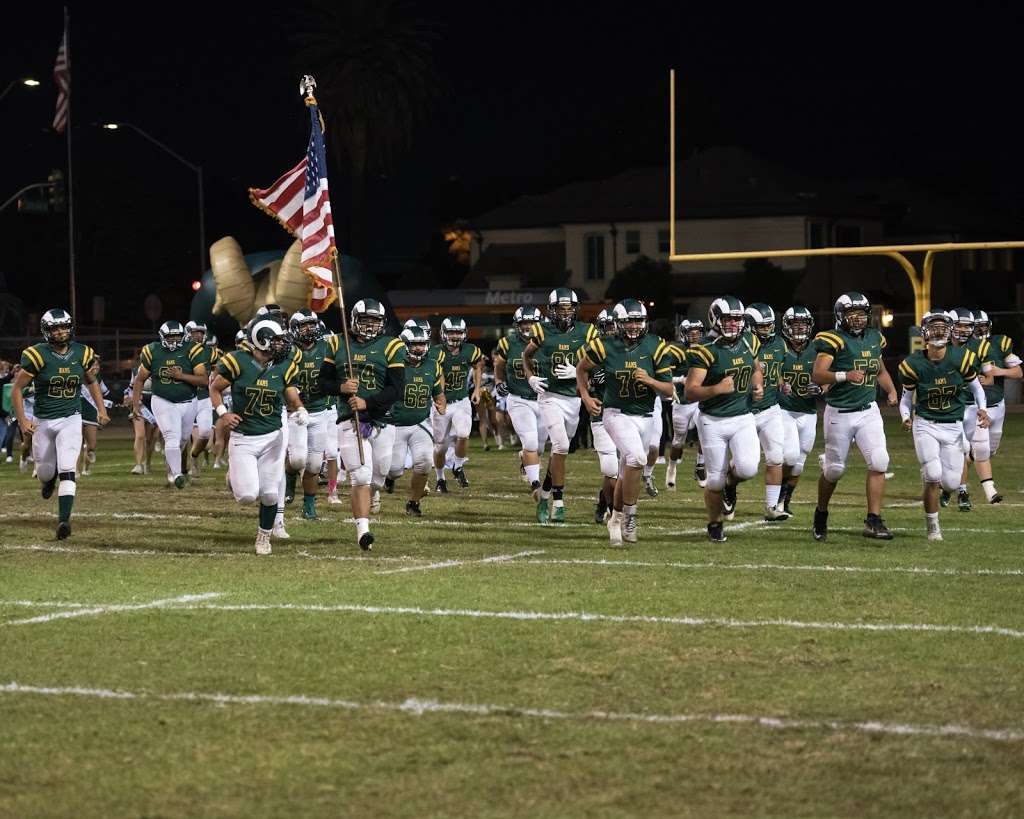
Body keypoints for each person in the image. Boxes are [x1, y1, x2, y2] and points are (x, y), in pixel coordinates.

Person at [578, 299, 677, 545]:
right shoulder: (604, 346)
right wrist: (585, 396)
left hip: (645, 416)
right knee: (637, 459)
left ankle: (616, 517)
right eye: (628, 321)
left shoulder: (656, 346)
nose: (633, 326)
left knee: (626, 471)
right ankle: (631, 517)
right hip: (616, 413)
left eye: (637, 321)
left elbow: (668, 390)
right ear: (618, 324)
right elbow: (581, 369)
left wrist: (651, 381)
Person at [210, 317, 306, 555]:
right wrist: (223, 413)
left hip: (272, 436)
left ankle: (263, 537)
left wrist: (300, 409)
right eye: (276, 340)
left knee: (271, 492)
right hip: (244, 437)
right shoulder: (237, 361)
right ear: (261, 340)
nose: (281, 345)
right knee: (246, 496)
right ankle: (234, 478)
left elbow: (291, 395)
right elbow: (215, 388)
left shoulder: (284, 365)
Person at [10, 308, 109, 539]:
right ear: (47, 331)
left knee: (68, 468)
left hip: (71, 418)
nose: (61, 332)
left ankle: (64, 521)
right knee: (45, 472)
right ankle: (48, 480)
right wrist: (23, 420)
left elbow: (92, 381)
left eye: (64, 326)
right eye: (56, 328)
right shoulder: (37, 354)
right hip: (43, 420)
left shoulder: (82, 353)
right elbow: (17, 389)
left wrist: (101, 410)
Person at [811, 292, 898, 542]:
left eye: (861, 314)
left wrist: (891, 390)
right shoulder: (833, 340)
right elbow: (818, 374)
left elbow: (878, 368)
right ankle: (821, 512)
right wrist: (844, 375)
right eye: (852, 314)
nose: (858, 319)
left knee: (879, 461)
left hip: (868, 410)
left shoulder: (874, 337)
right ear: (841, 316)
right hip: (840, 412)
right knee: (834, 470)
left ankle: (873, 520)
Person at [320, 298, 405, 550]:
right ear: (354, 320)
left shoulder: (391, 346)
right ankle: (363, 531)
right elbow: (322, 383)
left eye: (374, 321)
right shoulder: (337, 342)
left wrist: (368, 402)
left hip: (382, 420)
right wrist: (340, 387)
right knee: (361, 475)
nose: (369, 326)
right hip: (350, 419)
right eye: (365, 320)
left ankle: (375, 493)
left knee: (379, 476)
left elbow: (397, 389)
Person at [898, 310, 987, 541]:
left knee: (951, 482)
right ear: (924, 332)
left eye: (942, 327)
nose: (938, 331)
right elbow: (906, 398)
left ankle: (932, 476)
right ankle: (933, 526)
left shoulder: (961, 358)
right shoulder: (912, 364)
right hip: (926, 423)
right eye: (934, 327)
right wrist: (906, 416)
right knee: (934, 476)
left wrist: (983, 409)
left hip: (954, 426)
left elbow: (977, 387)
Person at [684, 296, 764, 542]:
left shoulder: (750, 340)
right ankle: (715, 523)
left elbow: (756, 367)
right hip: (713, 420)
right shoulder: (705, 350)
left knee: (749, 468)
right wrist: (716, 389)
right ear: (715, 319)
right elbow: (690, 391)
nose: (733, 324)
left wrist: (758, 385)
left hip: (742, 417)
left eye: (737, 319)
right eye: (727, 319)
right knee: (715, 480)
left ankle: (732, 484)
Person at [522, 288, 598, 523]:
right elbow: (526, 356)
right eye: (560, 308)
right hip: (550, 396)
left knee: (559, 451)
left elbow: (598, 362)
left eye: (569, 308)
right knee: (561, 446)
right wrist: (530, 377)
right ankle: (558, 502)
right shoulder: (542, 331)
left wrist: (579, 372)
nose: (565, 312)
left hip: (574, 398)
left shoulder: (588, 332)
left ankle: (544, 495)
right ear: (551, 310)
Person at [131, 320, 206, 488]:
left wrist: (182, 377)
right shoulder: (152, 351)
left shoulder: (192, 350)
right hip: (163, 400)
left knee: (182, 439)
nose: (173, 340)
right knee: (171, 437)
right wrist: (136, 404)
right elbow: (140, 379)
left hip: (188, 401)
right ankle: (177, 474)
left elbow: (203, 380)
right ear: (162, 336)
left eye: (177, 337)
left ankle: (172, 468)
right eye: (170, 337)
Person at [387, 324, 445, 516]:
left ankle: (414, 502)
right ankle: (388, 479)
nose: (419, 348)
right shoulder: (393, 364)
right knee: (395, 470)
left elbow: (438, 392)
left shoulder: (432, 365)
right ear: (404, 345)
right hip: (395, 424)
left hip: (420, 423)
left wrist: (441, 403)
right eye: (414, 345)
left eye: (422, 344)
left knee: (424, 464)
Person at [287, 308, 338, 520]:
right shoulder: (287, 351)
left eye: (312, 324)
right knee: (298, 460)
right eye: (304, 325)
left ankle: (309, 504)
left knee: (315, 464)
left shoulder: (327, 347)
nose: (309, 329)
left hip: (319, 410)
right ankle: (289, 479)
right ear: (294, 329)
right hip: (296, 411)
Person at [494, 307, 549, 497]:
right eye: (524, 323)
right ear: (517, 325)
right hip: (518, 399)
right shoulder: (508, 343)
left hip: (543, 399)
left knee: (539, 447)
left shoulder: (548, 341)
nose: (528, 326)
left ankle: (525, 458)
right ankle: (535, 484)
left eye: (532, 322)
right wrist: (499, 381)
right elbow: (499, 365)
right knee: (531, 443)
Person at [967, 309, 1021, 504]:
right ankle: (989, 492)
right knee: (980, 450)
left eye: (983, 326)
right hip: (978, 406)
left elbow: (1018, 372)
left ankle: (950, 477)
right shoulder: (966, 347)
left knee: (988, 450)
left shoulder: (1000, 343)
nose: (981, 330)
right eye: (977, 326)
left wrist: (997, 371)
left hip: (999, 404)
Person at [775, 306, 821, 516]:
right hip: (785, 409)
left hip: (808, 412)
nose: (800, 327)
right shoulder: (779, 347)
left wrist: (821, 387)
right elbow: (772, 370)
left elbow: (826, 375)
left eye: (803, 324)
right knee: (790, 456)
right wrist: (781, 383)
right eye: (795, 324)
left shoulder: (818, 349)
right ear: (787, 326)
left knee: (799, 463)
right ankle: (775, 497)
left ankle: (785, 500)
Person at [430, 316, 482, 491]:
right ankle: (440, 478)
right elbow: (437, 377)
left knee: (463, 433)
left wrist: (477, 389)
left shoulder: (470, 350)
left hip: (461, 401)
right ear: (444, 333)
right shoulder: (436, 352)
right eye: (451, 332)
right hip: (441, 403)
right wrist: (440, 399)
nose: (455, 336)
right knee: (440, 447)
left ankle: (458, 466)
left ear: (464, 333)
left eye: (458, 332)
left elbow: (477, 366)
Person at [582, 308, 620, 523]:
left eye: (614, 325)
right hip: (601, 413)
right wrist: (585, 393)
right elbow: (580, 376)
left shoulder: (632, 350)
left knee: (625, 468)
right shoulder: (591, 350)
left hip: (628, 414)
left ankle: (603, 502)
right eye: (607, 326)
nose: (612, 330)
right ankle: (616, 513)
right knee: (610, 468)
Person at [665, 318, 705, 490]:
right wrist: (680, 379)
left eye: (698, 332)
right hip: (682, 401)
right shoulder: (676, 351)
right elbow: (663, 375)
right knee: (678, 441)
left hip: (700, 400)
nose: (695, 335)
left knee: (705, 431)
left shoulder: (706, 350)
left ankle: (700, 466)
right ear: (683, 333)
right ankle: (672, 467)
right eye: (691, 332)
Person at [184, 320, 219, 476]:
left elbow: (220, 366)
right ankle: (179, 467)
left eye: (201, 333)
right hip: (185, 397)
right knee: (182, 436)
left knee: (205, 433)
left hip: (204, 397)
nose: (198, 336)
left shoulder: (209, 351)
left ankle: (193, 456)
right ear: (187, 333)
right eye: (195, 332)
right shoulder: (181, 351)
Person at [78, 355, 111, 476]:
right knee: (77, 444)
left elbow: (106, 395)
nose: (96, 367)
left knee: (91, 445)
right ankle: (76, 471)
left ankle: (86, 468)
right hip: (77, 412)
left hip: (92, 413)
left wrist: (104, 410)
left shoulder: (98, 379)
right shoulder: (78, 376)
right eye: (93, 365)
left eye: (97, 365)